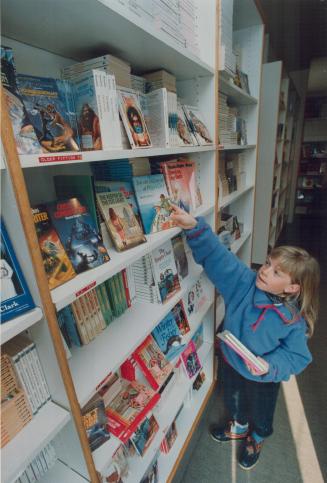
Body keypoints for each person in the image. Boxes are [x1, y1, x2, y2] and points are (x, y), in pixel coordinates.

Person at [170, 205, 320, 470]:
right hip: (232, 362)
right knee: (234, 399)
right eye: (268, 263)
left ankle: (258, 437)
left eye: (276, 272)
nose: (264, 270)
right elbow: (220, 258)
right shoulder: (245, 283)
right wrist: (196, 228)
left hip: (265, 377)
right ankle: (238, 426)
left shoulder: (293, 321)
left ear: (292, 288)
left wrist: (271, 367)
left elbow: (297, 357)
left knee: (262, 411)